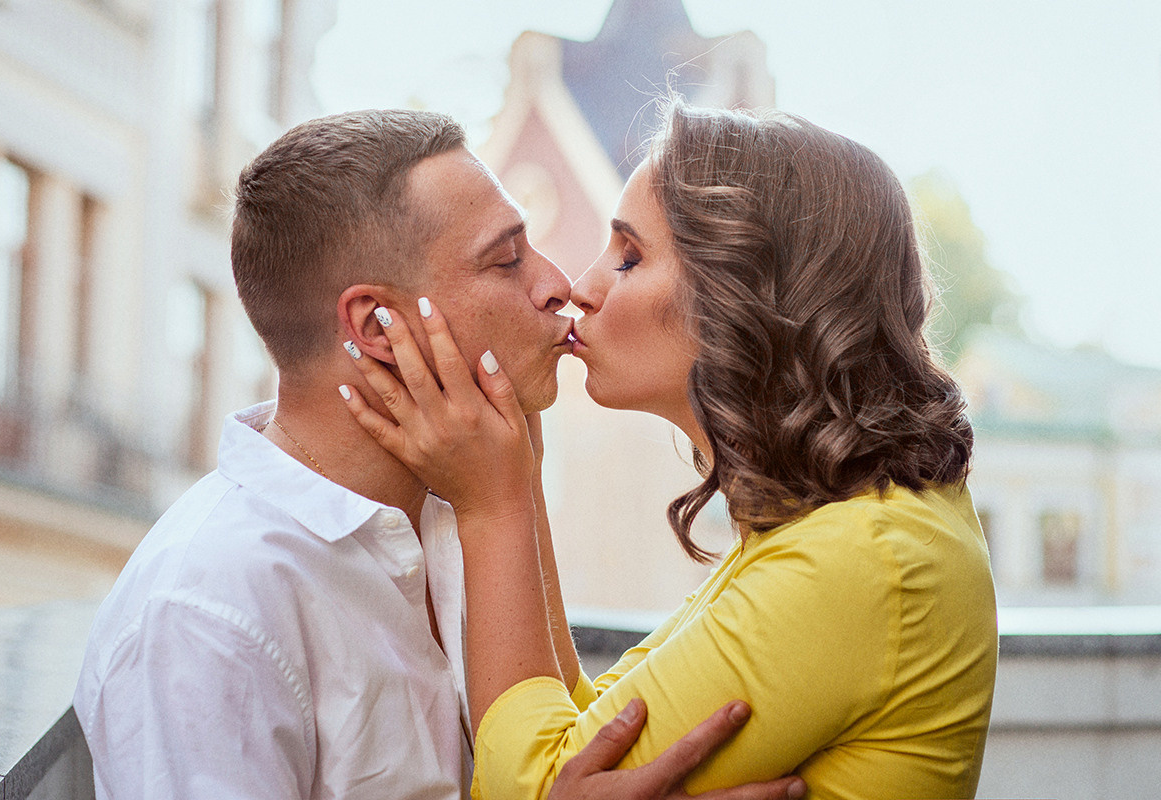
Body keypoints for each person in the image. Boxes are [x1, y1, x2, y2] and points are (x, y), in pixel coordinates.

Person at [72, 109, 806, 800]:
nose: (559, 286)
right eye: (507, 259)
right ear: (378, 326)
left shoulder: (463, 509)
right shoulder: (209, 609)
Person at [339, 100, 1000, 799]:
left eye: (628, 256)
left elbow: (529, 785)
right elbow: (595, 732)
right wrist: (522, 474)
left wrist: (492, 507)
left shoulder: (864, 560)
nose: (579, 288)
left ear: (741, 296)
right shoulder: (839, 530)